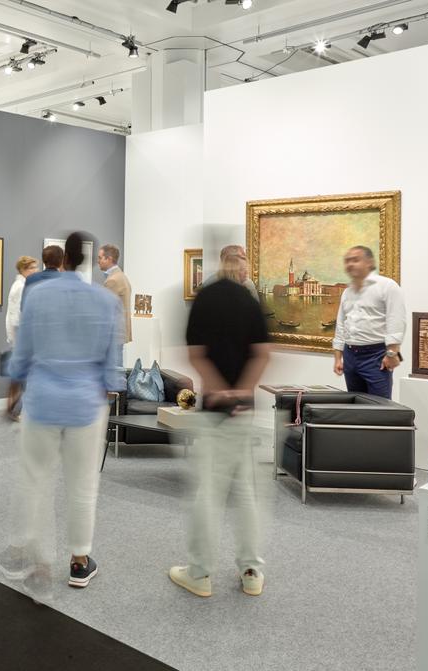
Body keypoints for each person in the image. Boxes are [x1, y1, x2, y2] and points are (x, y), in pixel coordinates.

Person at [0, 232, 123, 601]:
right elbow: (111, 364)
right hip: (86, 405)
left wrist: (13, 390)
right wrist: (105, 390)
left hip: (42, 402)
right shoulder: (104, 300)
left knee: (36, 481)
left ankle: (40, 565)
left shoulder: (38, 295)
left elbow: (22, 354)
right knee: (83, 486)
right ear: (88, 260)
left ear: (63, 258)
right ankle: (79, 561)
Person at [169, 251, 272, 599]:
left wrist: (219, 389)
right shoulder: (250, 300)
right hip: (243, 409)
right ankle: (251, 570)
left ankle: (199, 573)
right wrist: (242, 390)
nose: (243, 268)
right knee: (245, 491)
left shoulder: (207, 298)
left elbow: (196, 354)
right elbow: (262, 354)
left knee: (210, 491)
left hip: (216, 409)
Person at [332, 245, 405, 398]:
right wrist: (338, 358)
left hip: (376, 355)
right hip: (350, 355)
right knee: (356, 402)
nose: (350, 264)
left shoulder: (387, 286)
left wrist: (392, 353)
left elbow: (396, 320)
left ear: (369, 262)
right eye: (347, 261)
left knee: (380, 405)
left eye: (355, 260)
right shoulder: (347, 292)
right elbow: (341, 324)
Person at [3, 256, 39, 420]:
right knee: (23, 375)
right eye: (32, 268)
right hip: (22, 338)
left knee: (20, 375)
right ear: (23, 269)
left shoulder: (21, 285)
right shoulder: (21, 287)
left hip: (19, 337)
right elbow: (17, 317)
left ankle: (13, 409)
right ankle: (15, 410)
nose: (35, 270)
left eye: (36, 267)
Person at [97, 244, 133, 344]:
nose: (98, 261)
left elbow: (105, 310)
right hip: (118, 334)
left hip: (113, 335)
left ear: (109, 259)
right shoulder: (121, 276)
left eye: (100, 258)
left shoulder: (113, 280)